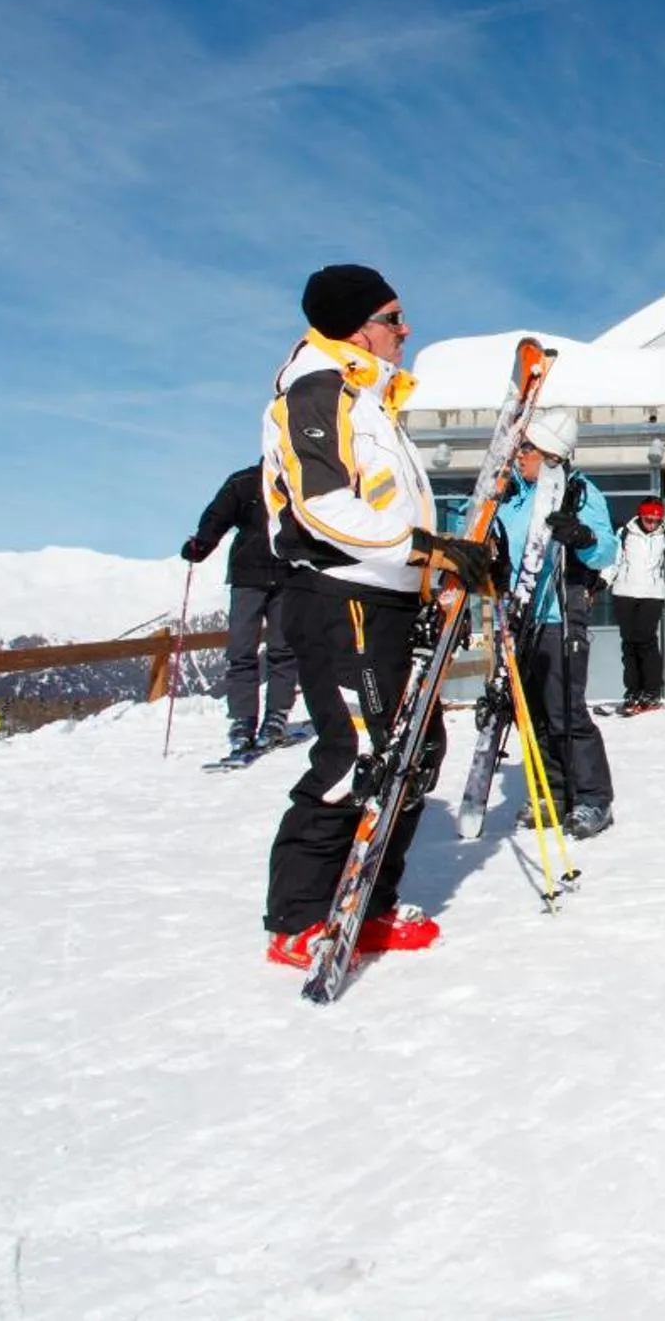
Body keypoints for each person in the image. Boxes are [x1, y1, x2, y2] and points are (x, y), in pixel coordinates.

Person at [259, 264, 494, 968]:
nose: (405, 330)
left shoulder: (370, 401)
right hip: (341, 598)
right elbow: (322, 504)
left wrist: (444, 562)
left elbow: (389, 507)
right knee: (359, 752)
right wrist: (422, 546)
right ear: (356, 325)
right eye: (394, 318)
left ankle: (366, 900)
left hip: (390, 598)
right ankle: (299, 916)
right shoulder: (316, 389)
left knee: (414, 753)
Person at [495, 407, 619, 838]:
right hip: (521, 616)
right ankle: (552, 791)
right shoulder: (513, 494)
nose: (519, 456)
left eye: (528, 449)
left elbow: (606, 549)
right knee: (533, 714)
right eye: (520, 447)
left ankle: (592, 799)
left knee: (566, 711)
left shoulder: (582, 493)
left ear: (551, 455)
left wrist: (582, 536)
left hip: (560, 614)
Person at [184, 462, 301, 759]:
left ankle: (276, 717)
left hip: (289, 575)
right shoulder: (245, 481)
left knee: (283, 649)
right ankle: (243, 720)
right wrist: (201, 545)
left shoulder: (302, 482)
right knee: (241, 650)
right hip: (248, 576)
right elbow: (217, 517)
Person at [607, 496, 665, 711]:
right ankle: (633, 690)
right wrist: (603, 580)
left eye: (656, 520)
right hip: (625, 592)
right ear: (640, 516)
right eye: (648, 519)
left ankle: (652, 690)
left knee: (645, 640)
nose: (652, 524)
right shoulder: (624, 534)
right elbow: (614, 561)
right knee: (629, 643)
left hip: (652, 594)